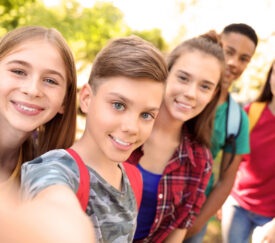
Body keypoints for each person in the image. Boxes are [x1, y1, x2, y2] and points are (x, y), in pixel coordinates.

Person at [21, 35, 168, 243]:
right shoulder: (54, 168)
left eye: (146, 115)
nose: (131, 127)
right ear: (87, 99)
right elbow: (54, 200)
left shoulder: (134, 178)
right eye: (118, 105)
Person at [126, 31, 224, 242]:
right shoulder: (123, 126)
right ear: (166, 73)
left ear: (213, 94)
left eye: (205, 86)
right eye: (183, 78)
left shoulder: (200, 160)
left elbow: (177, 232)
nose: (191, 93)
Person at [184, 23, 258, 242]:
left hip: (193, 217)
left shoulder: (237, 119)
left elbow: (226, 180)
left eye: (244, 58)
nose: (234, 63)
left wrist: (197, 224)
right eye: (229, 52)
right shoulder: (183, 95)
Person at [0, 25, 77, 187]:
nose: (33, 90)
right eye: (18, 71)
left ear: (64, 101)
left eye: (50, 80)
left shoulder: (47, 169)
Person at [222, 60, 275, 243]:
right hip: (237, 205)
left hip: (270, 217)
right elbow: (232, 161)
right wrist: (222, 197)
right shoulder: (250, 113)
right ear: (270, 78)